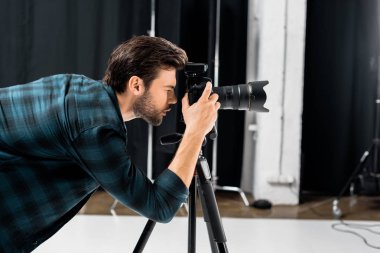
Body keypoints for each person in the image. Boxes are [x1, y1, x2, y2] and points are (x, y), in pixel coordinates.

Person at [0, 35, 220, 252]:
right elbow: (160, 206)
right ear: (136, 85)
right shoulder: (96, 127)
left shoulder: (82, 92)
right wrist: (196, 131)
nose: (173, 99)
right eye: (168, 90)